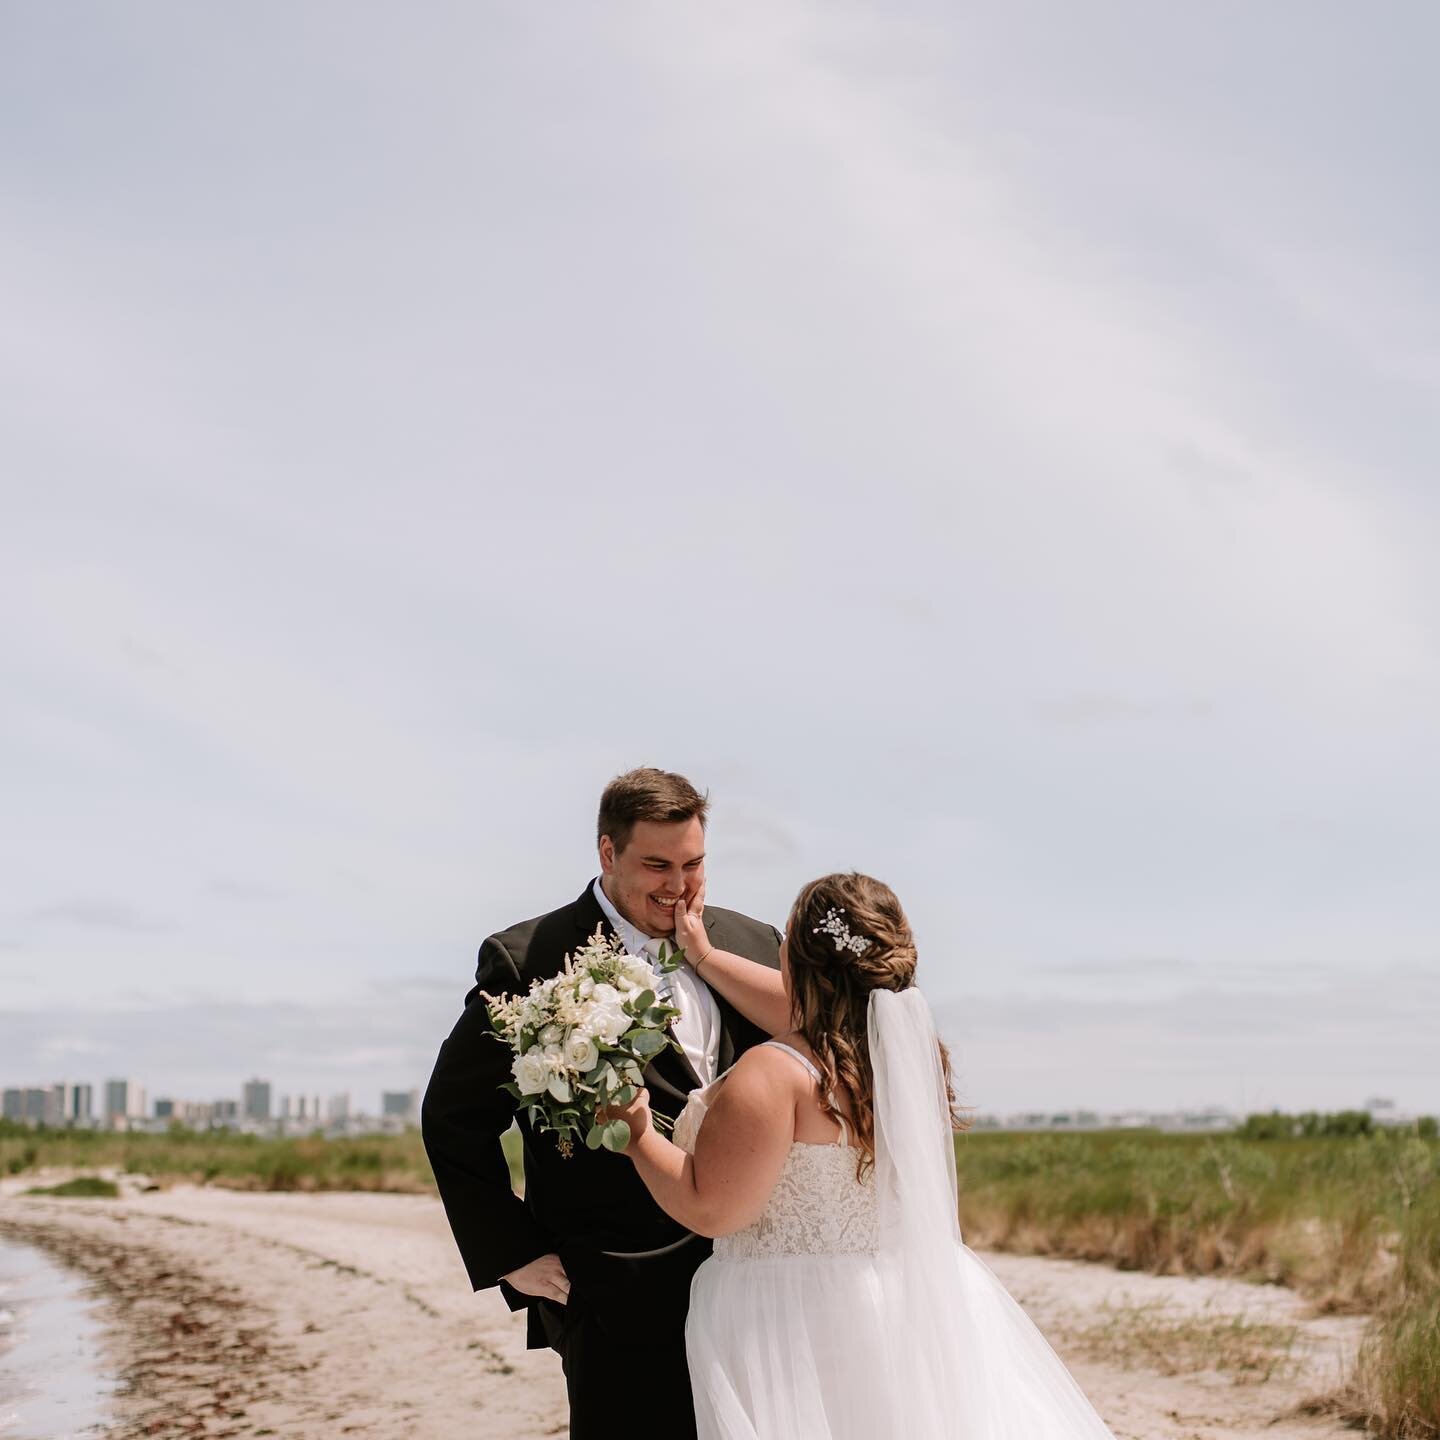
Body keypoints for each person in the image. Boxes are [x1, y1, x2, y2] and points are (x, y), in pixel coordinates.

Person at [604, 871, 1121, 1440]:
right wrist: (702, 956)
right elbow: (799, 1012)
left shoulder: (774, 1074)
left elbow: (714, 1211)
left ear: (797, 964)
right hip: (899, 1304)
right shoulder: (903, 1055)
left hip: (790, 1324)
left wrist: (635, 1134)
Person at [421, 767, 781, 1440]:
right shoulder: (530, 959)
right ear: (608, 853)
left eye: (694, 864)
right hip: (616, 1291)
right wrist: (510, 1251)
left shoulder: (756, 944)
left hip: (758, 1279)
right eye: (656, 865)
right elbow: (452, 1116)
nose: (678, 886)